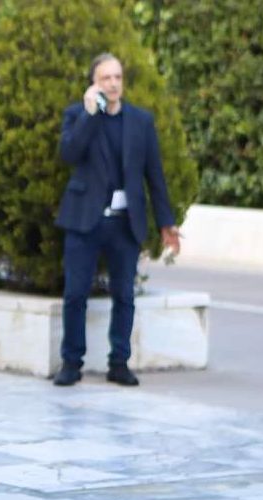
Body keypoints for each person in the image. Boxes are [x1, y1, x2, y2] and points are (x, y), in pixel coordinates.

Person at [53, 52, 181, 387]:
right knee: (75, 294)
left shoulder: (141, 121)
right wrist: (89, 114)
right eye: (105, 78)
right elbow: (68, 153)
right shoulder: (78, 115)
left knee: (124, 295)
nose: (113, 84)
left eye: (117, 77)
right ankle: (71, 362)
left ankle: (119, 362)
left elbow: (155, 176)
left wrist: (166, 222)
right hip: (84, 220)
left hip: (125, 223)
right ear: (94, 83)